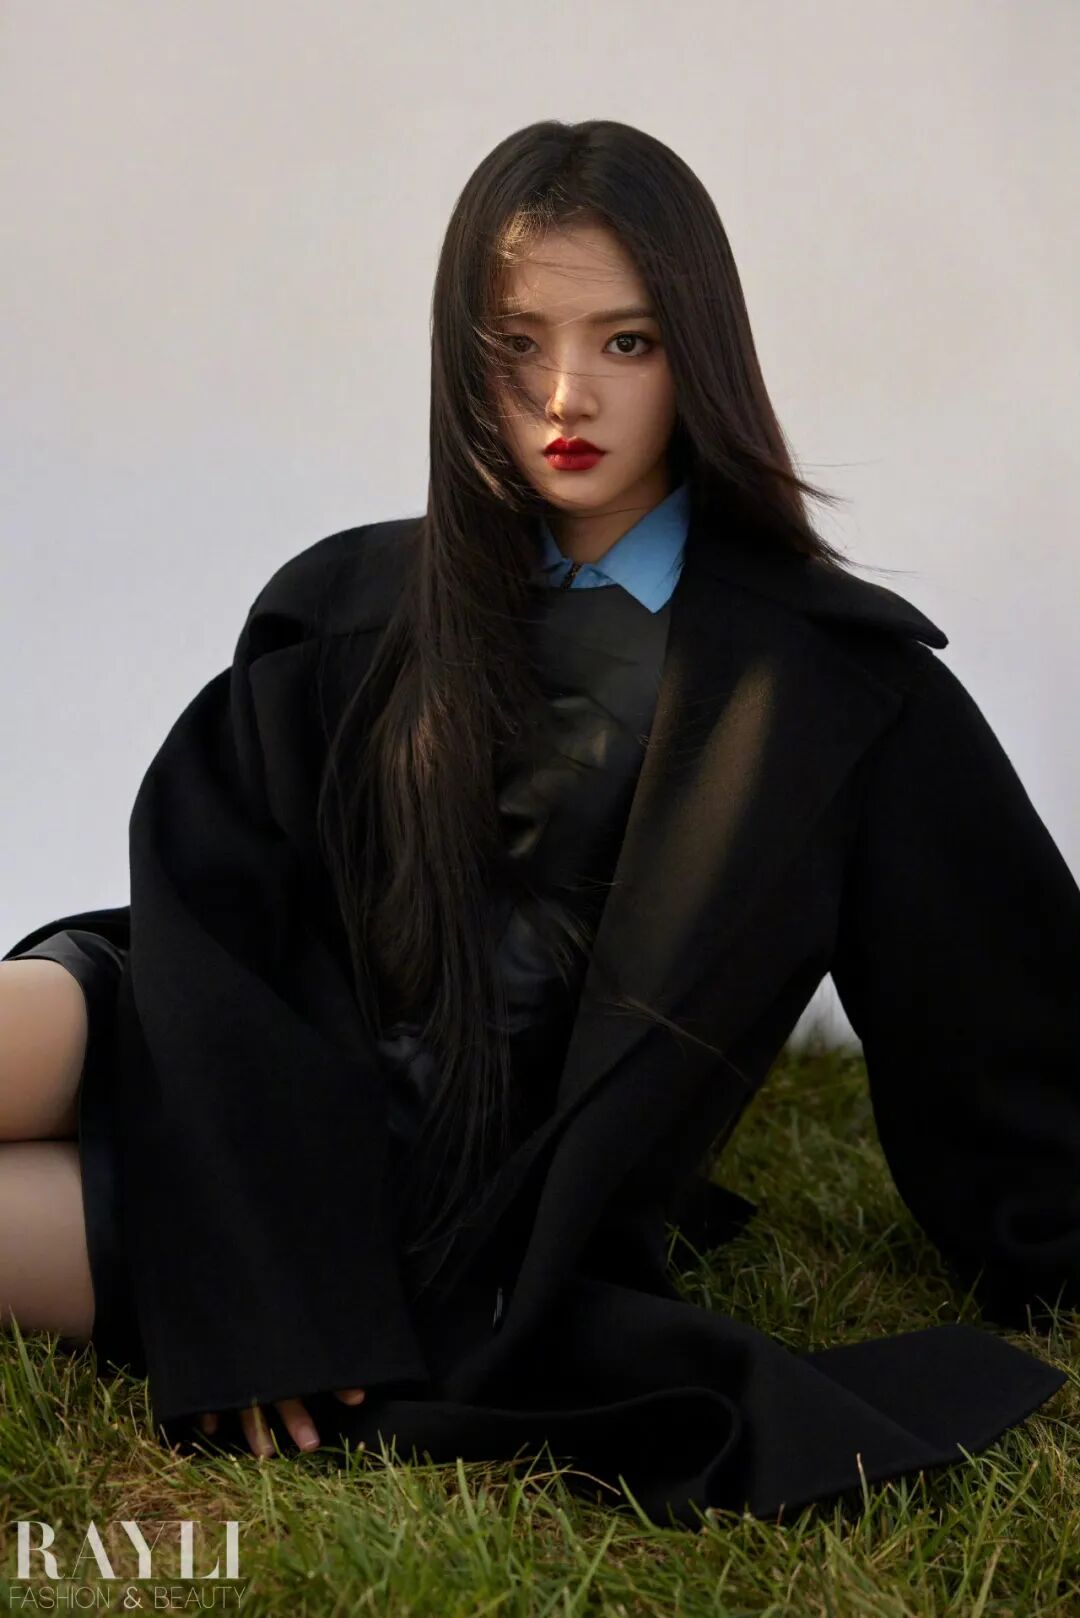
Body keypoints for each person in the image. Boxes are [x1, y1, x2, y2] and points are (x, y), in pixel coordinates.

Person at [2, 118, 1079, 1530]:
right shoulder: (348, 607)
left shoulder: (834, 693)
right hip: (227, 1032)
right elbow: (218, 897)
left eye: (627, 341)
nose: (568, 393)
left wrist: (275, 1290)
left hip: (402, 1202)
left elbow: (1004, 1028)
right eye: (517, 343)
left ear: (699, 352)